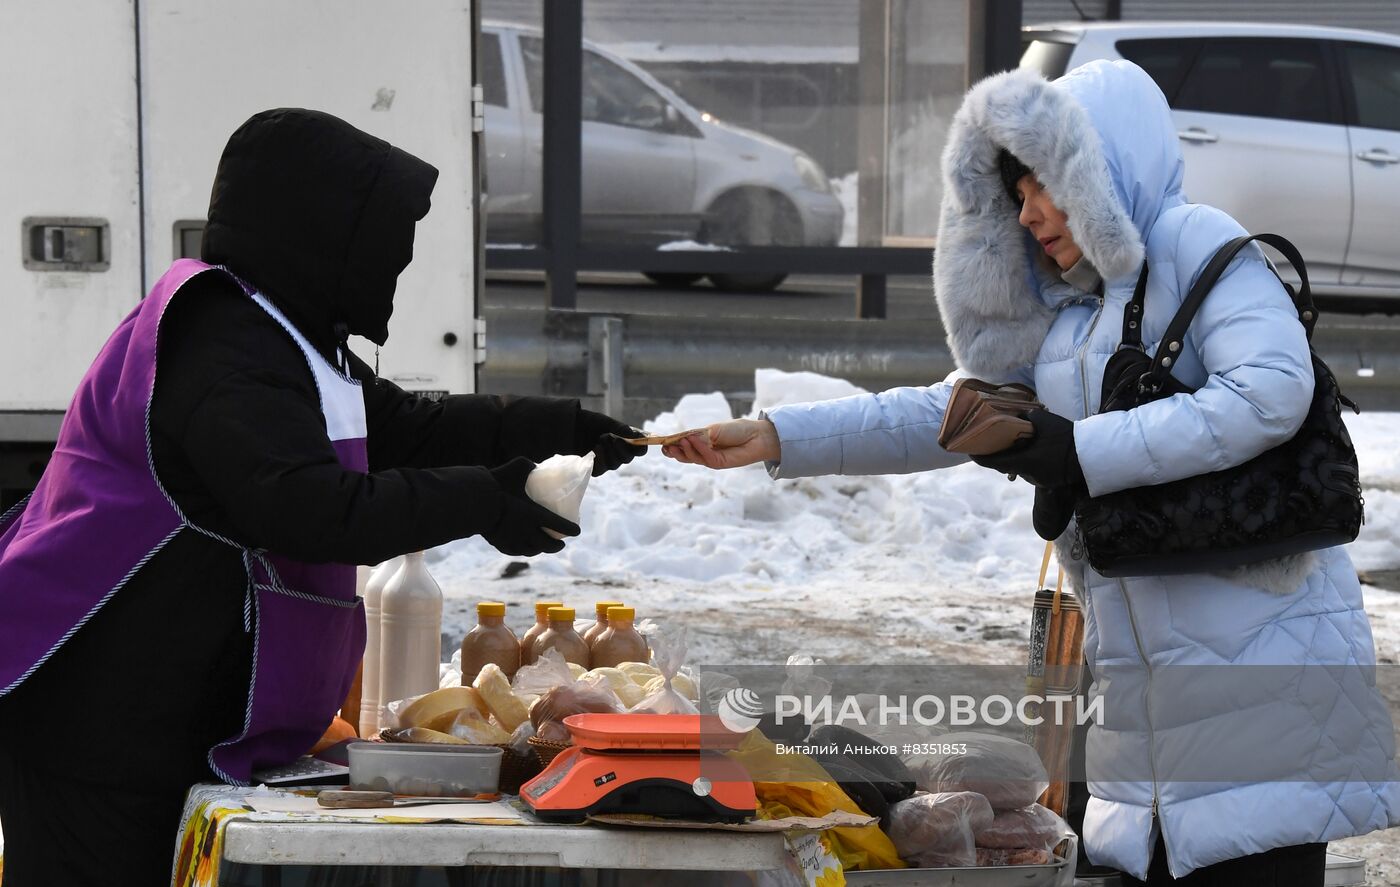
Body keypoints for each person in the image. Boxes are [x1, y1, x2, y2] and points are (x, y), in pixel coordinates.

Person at [664, 61, 1400, 884]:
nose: (1030, 211)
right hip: (1147, 728)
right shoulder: (1067, 323)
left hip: (1268, 713)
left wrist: (1078, 452)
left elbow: (1270, 390)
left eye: (1044, 183)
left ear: (1101, 170)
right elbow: (948, 416)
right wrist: (774, 435)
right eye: (1015, 192)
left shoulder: (1194, 242)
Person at [0, 108, 643, 886]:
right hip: (100, 723)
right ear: (321, 231)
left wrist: (555, 428)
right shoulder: (219, 344)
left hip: (177, 723)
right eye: (382, 238)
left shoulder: (286, 332)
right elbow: (306, 508)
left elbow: (408, 427)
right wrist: (486, 499)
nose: (397, 263)